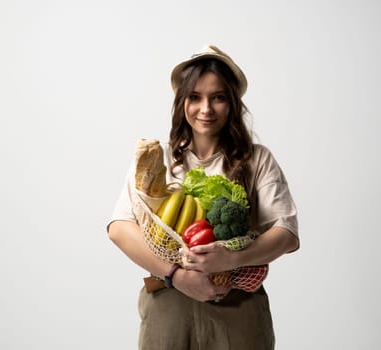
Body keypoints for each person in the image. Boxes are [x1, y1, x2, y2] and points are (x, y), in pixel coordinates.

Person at [107, 44, 299, 350]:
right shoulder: (160, 159)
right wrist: (176, 276)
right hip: (168, 307)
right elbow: (119, 228)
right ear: (182, 101)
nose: (205, 109)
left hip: (238, 311)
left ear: (232, 103)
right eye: (195, 97)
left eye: (218, 97)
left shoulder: (257, 160)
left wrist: (233, 258)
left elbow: (286, 233)